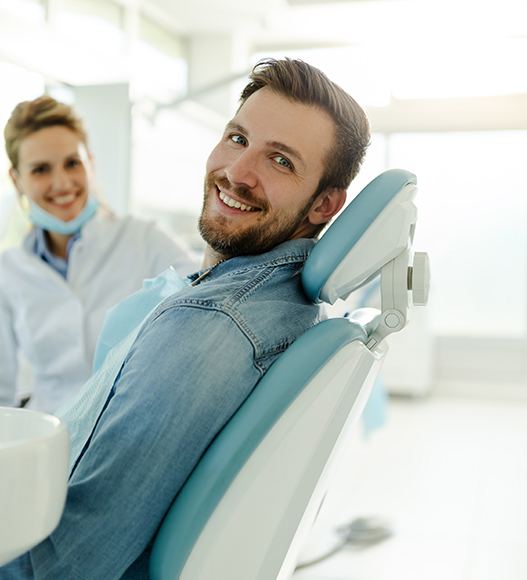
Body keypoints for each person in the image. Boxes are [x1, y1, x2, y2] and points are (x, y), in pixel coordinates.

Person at [0, 57, 370, 579]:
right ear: (18, 181)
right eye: (238, 139)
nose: (238, 174)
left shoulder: (210, 322)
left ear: (325, 205)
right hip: (46, 457)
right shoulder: (253, 303)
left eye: (281, 161)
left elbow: (64, 565)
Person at [0, 96, 197, 413]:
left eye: (72, 163)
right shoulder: (8, 272)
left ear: (90, 162)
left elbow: (206, 294)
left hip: (127, 423)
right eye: (40, 170)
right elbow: (2, 396)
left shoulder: (144, 239)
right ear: (16, 179)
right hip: (48, 439)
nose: (61, 183)